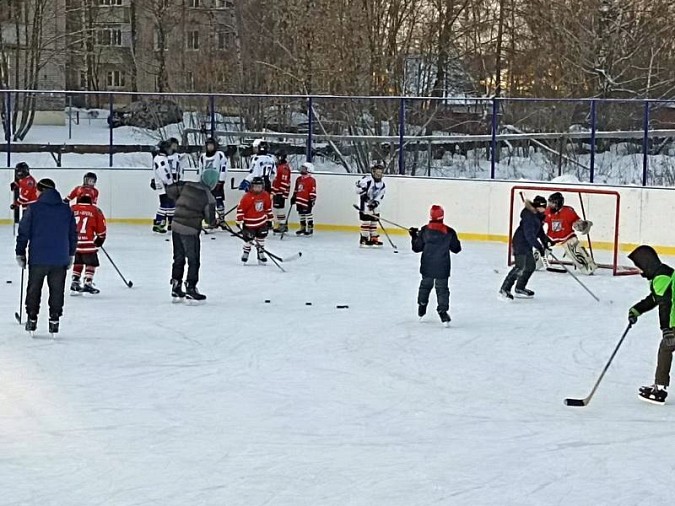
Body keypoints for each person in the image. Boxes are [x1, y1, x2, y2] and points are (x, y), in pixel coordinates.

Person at [15, 178, 77, 336]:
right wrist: (70, 254)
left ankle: (32, 318)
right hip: (60, 258)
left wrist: (20, 252)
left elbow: (24, 232)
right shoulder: (66, 209)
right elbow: (72, 234)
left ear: (41, 190)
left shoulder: (33, 209)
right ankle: (54, 319)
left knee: (34, 289)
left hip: (38, 258)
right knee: (57, 290)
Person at [627, 245, 675, 404]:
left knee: (666, 346)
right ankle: (659, 386)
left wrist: (666, 329)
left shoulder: (662, 278)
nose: (639, 271)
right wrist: (637, 310)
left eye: (639, 266)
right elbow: (655, 298)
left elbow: (665, 304)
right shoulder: (663, 275)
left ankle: (659, 389)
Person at [165, 169, 218, 302]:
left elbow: (170, 190)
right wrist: (217, 221)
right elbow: (210, 221)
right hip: (190, 230)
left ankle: (176, 285)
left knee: (178, 257)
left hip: (176, 226)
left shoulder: (187, 185)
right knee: (193, 260)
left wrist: (181, 200)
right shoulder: (209, 197)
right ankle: (191, 287)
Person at [409, 205, 461, 325]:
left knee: (425, 286)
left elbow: (417, 248)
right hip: (442, 266)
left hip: (427, 265)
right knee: (442, 289)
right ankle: (443, 312)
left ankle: (422, 306)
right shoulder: (449, 231)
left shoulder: (425, 230)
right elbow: (456, 249)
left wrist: (414, 236)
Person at [500, 195, 550, 300]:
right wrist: (539, 247)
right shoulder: (529, 217)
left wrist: (545, 240)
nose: (545, 209)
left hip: (527, 244)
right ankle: (505, 288)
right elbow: (529, 235)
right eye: (543, 206)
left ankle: (520, 288)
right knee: (519, 267)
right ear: (538, 206)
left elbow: (539, 230)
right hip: (520, 243)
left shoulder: (537, 216)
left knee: (530, 266)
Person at [544, 192, 597, 275]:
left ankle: (588, 265)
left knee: (575, 248)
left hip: (567, 236)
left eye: (552, 203)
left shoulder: (568, 211)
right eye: (549, 202)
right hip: (551, 237)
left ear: (558, 203)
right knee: (538, 249)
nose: (550, 205)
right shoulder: (547, 211)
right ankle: (532, 263)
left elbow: (576, 222)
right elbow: (540, 221)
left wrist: (583, 225)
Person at [70, 195, 107, 295]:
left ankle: (75, 282)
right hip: (88, 243)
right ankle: (88, 282)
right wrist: (100, 238)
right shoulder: (95, 210)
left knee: (78, 261)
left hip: (74, 243)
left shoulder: (72, 208)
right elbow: (101, 226)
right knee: (91, 263)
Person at [236, 177, 274, 264]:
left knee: (261, 238)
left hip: (261, 222)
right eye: (255, 186)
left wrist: (270, 219)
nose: (257, 188)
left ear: (262, 187)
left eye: (259, 186)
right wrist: (239, 221)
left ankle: (260, 253)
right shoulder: (247, 197)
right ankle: (246, 253)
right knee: (248, 240)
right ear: (252, 186)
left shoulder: (265, 195)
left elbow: (268, 208)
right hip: (249, 224)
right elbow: (241, 209)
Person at [355, 161, 386, 247]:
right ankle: (364, 238)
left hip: (374, 205)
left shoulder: (382, 184)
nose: (379, 174)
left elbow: (381, 195)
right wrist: (363, 193)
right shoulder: (367, 180)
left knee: (374, 221)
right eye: (377, 172)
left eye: (380, 172)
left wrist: (375, 203)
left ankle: (373, 237)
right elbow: (357, 189)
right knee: (366, 221)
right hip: (365, 204)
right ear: (373, 172)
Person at [151, 139, 178, 234]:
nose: (170, 150)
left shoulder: (161, 158)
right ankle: (159, 222)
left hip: (163, 185)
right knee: (165, 204)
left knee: (169, 205)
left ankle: (170, 223)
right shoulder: (161, 159)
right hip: (164, 186)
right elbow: (164, 173)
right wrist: (170, 183)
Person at [198, 137, 228, 221]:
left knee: (219, 200)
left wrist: (221, 180)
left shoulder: (220, 155)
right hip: (206, 183)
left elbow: (223, 168)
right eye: (208, 145)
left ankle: (221, 219)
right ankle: (211, 219)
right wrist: (201, 182)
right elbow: (201, 170)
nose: (210, 147)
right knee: (208, 202)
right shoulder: (202, 157)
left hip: (217, 182)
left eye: (211, 145)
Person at [291, 162, 317, 236]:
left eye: (304, 169)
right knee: (301, 213)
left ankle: (310, 228)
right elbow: (296, 189)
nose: (302, 170)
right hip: (299, 199)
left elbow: (313, 190)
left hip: (307, 200)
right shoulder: (298, 179)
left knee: (308, 214)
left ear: (309, 170)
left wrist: (312, 199)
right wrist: (293, 197)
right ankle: (302, 227)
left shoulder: (311, 180)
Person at [271, 151, 292, 234]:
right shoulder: (279, 167)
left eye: (277, 157)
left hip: (280, 192)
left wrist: (277, 192)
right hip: (278, 192)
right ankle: (281, 224)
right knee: (277, 209)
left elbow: (283, 181)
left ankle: (282, 224)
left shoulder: (283, 168)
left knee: (280, 209)